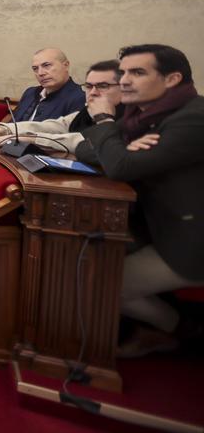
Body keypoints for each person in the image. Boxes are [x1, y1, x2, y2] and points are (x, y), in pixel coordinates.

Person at [74, 44, 204, 357]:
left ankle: (184, 333)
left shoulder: (193, 119)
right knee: (87, 261)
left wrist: (106, 122)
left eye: (137, 72)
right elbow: (86, 149)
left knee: (102, 284)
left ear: (172, 79)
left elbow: (118, 165)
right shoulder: (141, 116)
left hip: (190, 240)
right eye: (124, 73)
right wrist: (121, 147)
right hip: (156, 226)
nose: (126, 81)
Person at [0, 60, 124, 154]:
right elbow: (58, 125)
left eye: (103, 86)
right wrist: (0, 130)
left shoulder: (130, 116)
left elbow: (82, 140)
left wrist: (17, 138)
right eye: (89, 86)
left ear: (124, 87)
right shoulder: (89, 108)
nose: (93, 93)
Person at [11, 48, 86, 122]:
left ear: (66, 65)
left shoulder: (79, 97)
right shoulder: (30, 93)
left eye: (46, 65)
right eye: (35, 68)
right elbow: (12, 123)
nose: (40, 73)